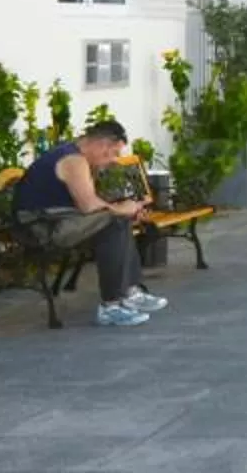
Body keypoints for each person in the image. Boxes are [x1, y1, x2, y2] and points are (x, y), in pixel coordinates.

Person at [11, 118, 169, 327]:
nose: (114, 160)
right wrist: (123, 209)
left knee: (116, 219)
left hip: (56, 220)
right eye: (113, 153)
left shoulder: (75, 155)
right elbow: (89, 206)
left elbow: (90, 204)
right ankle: (111, 306)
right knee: (114, 220)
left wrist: (125, 209)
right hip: (40, 229)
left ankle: (129, 291)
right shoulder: (73, 161)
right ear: (102, 145)